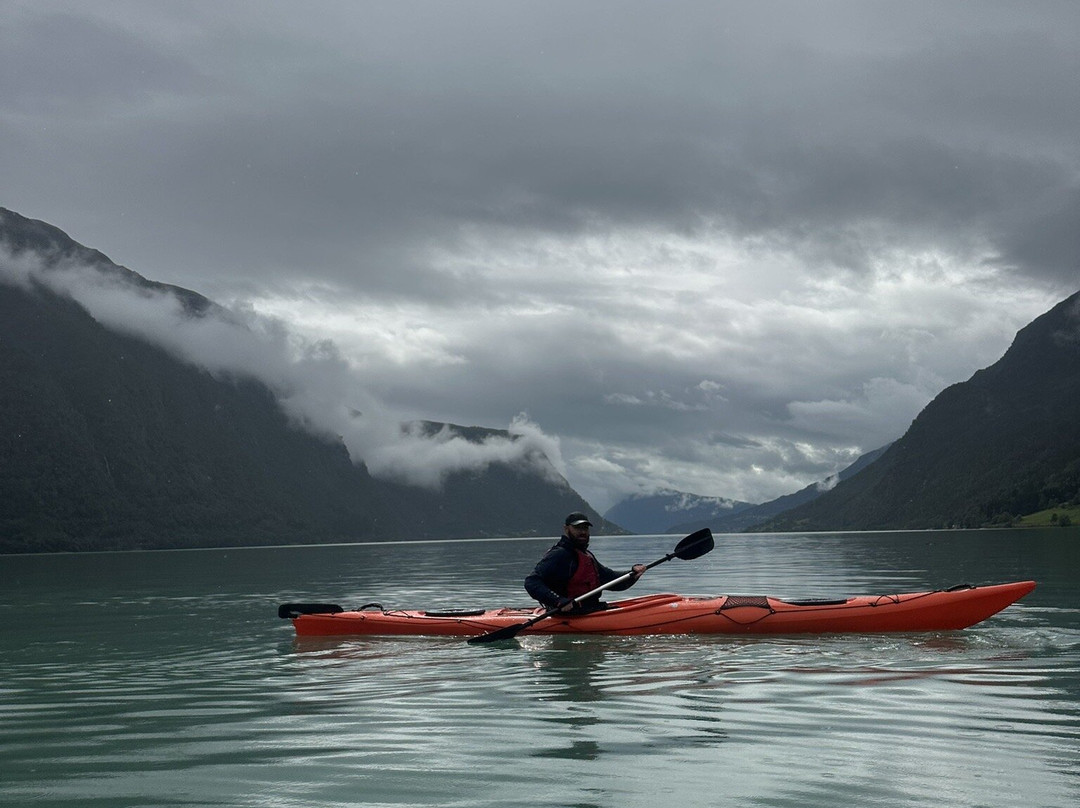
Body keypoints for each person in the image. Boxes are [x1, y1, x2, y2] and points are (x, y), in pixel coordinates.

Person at [524, 512, 647, 612]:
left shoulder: (586, 555)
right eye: (577, 528)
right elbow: (531, 582)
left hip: (589, 609)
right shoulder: (559, 554)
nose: (583, 532)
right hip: (569, 613)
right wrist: (558, 600)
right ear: (566, 529)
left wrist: (632, 573)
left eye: (585, 528)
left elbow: (610, 580)